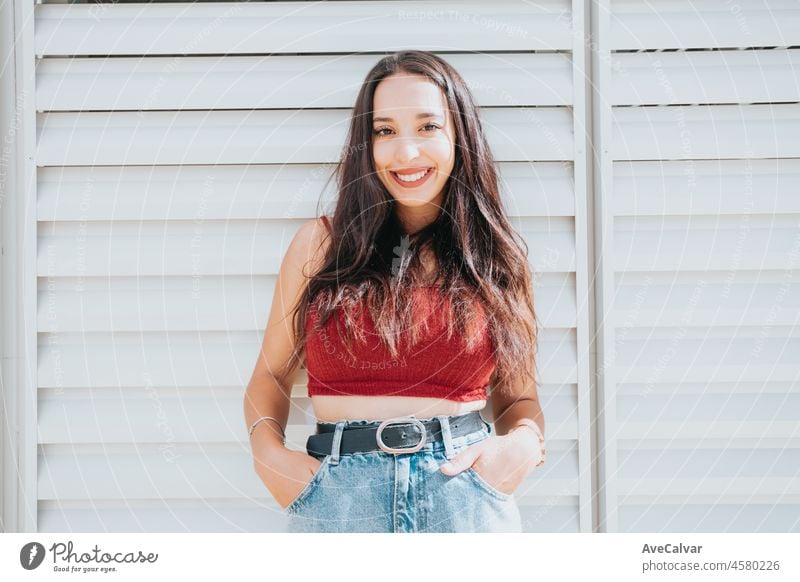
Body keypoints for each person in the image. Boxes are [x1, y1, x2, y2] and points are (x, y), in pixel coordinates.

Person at [243, 50, 545, 533]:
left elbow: (518, 400)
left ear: (459, 136)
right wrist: (267, 456)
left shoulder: (497, 257)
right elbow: (269, 378)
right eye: (385, 131)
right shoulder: (319, 246)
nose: (406, 153)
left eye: (427, 127)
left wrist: (526, 443)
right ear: (367, 144)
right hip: (337, 501)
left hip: (463, 499)